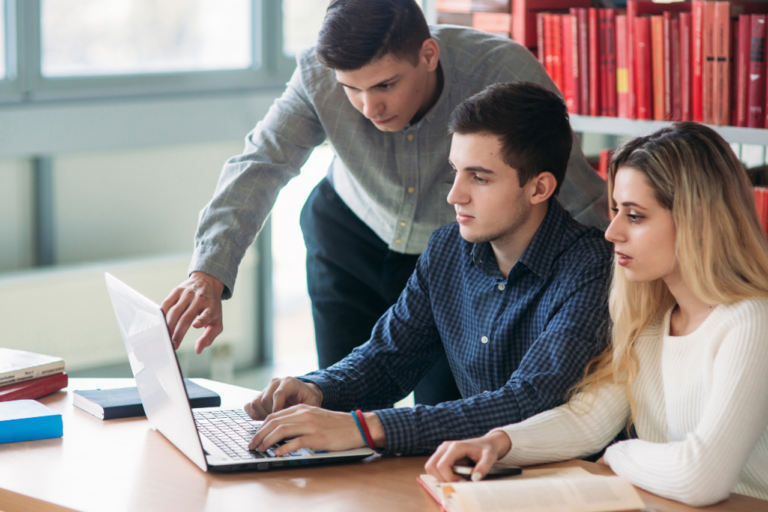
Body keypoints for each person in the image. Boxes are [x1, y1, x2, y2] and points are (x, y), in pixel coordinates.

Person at [160, 0, 608, 407]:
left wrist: (623, 288)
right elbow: (262, 162)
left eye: (385, 85)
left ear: (428, 55)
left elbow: (571, 188)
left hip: (452, 257)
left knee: (440, 412)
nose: (368, 107)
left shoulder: (501, 70)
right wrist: (208, 272)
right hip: (349, 237)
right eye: (351, 90)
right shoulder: (317, 76)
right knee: (332, 397)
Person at [240, 81, 614, 460]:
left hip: (566, 483)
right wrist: (317, 389)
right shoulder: (447, 249)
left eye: (480, 177)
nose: (455, 195)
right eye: (456, 171)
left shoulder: (593, 269)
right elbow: (388, 358)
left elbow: (527, 403)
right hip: (477, 477)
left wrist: (365, 428)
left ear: (539, 188)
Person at [424, 122, 768, 506]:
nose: (612, 231)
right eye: (616, 210)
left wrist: (621, 453)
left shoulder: (751, 321)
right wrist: (496, 442)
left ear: (700, 220)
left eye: (635, 216)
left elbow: (701, 478)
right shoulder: (652, 322)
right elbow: (588, 420)